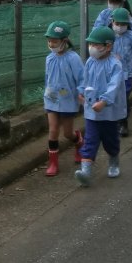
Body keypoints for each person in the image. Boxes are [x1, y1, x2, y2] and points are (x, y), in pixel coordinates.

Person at [74, 27, 126, 187]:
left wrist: (103, 101)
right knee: (90, 140)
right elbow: (85, 79)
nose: (92, 48)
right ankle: (86, 172)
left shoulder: (115, 65)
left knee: (111, 140)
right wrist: (80, 92)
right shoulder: (90, 62)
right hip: (91, 111)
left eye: (96, 45)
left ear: (108, 46)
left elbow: (114, 86)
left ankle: (114, 161)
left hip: (109, 111)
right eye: (91, 44)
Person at [41, 21, 84, 176]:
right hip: (51, 99)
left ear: (64, 41)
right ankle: (53, 163)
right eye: (49, 40)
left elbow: (81, 78)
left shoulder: (73, 58)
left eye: (55, 41)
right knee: (53, 130)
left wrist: (81, 92)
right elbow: (48, 78)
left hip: (68, 101)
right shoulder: (49, 58)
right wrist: (45, 95)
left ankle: (78, 141)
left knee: (67, 133)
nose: (51, 44)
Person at [109, 8, 132, 137]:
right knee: (113, 97)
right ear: (112, 22)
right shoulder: (108, 36)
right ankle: (114, 121)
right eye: (117, 24)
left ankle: (123, 122)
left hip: (127, 73)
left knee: (123, 98)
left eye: (123, 24)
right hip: (111, 74)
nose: (120, 27)